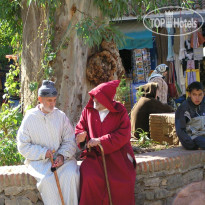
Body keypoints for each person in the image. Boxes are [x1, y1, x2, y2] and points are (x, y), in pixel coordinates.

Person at [17, 80, 80, 205]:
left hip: (63, 161)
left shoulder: (60, 116)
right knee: (47, 182)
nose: (52, 104)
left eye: (54, 100)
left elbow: (70, 140)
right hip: (40, 163)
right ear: (40, 99)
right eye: (49, 100)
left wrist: (62, 155)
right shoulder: (30, 118)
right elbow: (23, 145)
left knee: (72, 175)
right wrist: (43, 153)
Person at [75, 80, 136, 205]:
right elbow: (80, 128)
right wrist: (80, 137)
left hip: (118, 157)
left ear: (107, 99)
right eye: (94, 98)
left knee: (123, 182)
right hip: (94, 156)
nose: (94, 101)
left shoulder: (120, 110)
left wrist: (101, 141)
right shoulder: (88, 110)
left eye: (98, 98)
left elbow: (124, 134)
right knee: (89, 178)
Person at [175, 81, 205, 150]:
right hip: (194, 138)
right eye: (194, 94)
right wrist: (190, 144)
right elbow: (180, 130)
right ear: (189, 94)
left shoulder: (203, 105)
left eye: (200, 94)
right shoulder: (183, 108)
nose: (197, 98)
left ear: (203, 94)